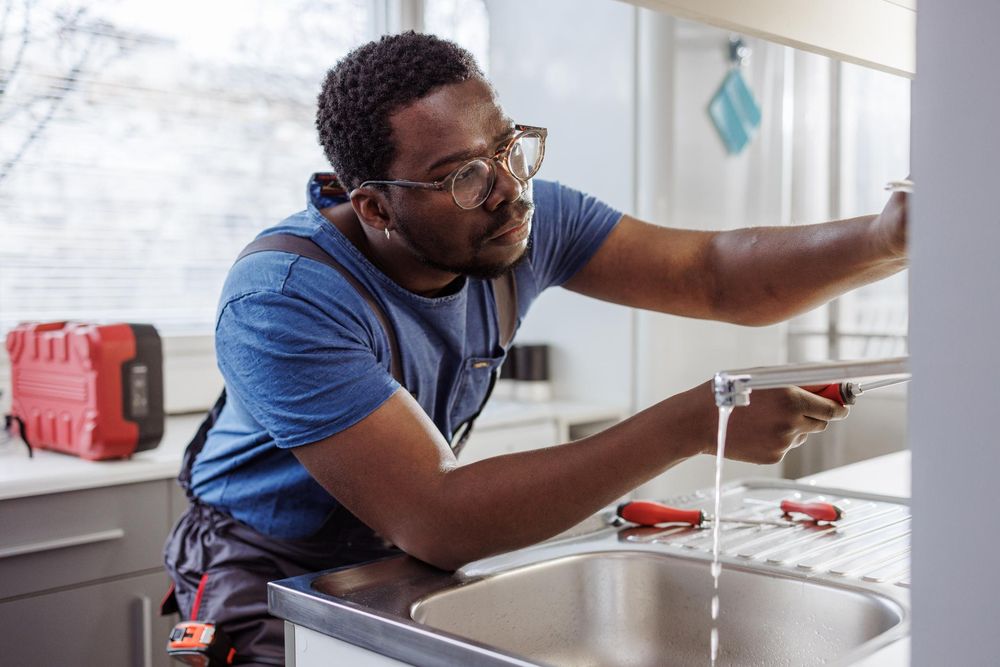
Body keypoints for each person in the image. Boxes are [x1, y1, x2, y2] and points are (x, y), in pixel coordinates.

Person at [163, 31, 908, 665]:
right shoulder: (283, 297)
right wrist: (692, 421)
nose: (510, 191)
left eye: (508, 148)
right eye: (462, 177)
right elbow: (437, 513)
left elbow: (713, 276)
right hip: (262, 558)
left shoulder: (520, 221)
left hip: (389, 559)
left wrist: (887, 238)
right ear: (374, 206)